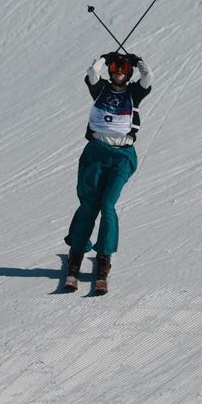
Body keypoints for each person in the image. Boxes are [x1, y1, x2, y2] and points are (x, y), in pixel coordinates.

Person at [64, 50, 153, 292]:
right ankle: (76, 252)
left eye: (123, 68)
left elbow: (148, 77)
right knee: (89, 204)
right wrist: (104, 59)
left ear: (129, 72)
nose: (119, 72)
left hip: (122, 156)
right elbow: (92, 73)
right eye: (115, 68)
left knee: (108, 204)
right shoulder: (100, 89)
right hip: (96, 153)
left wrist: (138, 61)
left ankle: (104, 256)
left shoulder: (134, 93)